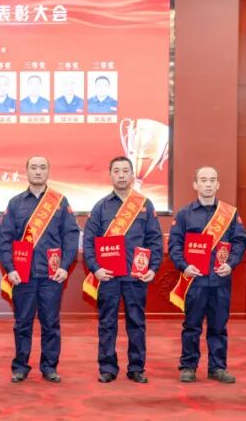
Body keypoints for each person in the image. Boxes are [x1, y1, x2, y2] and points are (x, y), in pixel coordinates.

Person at [82, 157, 162, 383]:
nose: (121, 175)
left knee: (136, 322)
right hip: (108, 277)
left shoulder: (145, 205)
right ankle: (107, 367)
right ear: (110, 175)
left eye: (125, 171)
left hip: (136, 276)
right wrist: (96, 269)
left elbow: (155, 239)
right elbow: (88, 241)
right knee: (107, 323)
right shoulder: (100, 206)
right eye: (116, 171)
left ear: (132, 175)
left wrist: (153, 267)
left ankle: (136, 367)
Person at [0, 156, 79, 382]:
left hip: (52, 275)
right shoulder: (15, 203)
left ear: (48, 171)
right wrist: (10, 268)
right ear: (26, 171)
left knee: (51, 323)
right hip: (22, 275)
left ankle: (49, 367)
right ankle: (20, 367)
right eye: (33, 167)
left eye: (42, 167)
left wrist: (65, 266)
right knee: (22, 323)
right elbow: (4, 239)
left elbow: (71, 236)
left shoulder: (59, 201)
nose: (38, 171)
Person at [167, 166, 246, 384]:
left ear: (218, 184)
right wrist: (184, 266)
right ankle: (188, 366)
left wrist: (231, 264)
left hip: (220, 279)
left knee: (218, 326)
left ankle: (217, 367)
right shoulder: (184, 214)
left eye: (212, 180)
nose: (208, 184)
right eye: (203, 180)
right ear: (195, 184)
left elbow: (240, 241)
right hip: (194, 280)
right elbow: (174, 245)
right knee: (191, 326)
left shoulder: (229, 214)